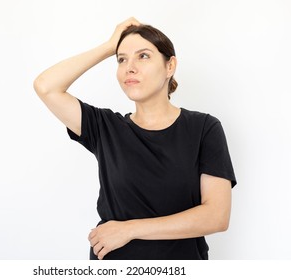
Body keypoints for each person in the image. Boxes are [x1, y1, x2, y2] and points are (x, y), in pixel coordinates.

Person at [33, 17, 237, 260]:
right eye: (121, 59)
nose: (130, 67)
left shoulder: (204, 128)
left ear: (170, 66)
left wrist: (129, 230)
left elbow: (216, 216)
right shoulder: (105, 128)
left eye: (143, 56)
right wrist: (109, 46)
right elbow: (46, 86)